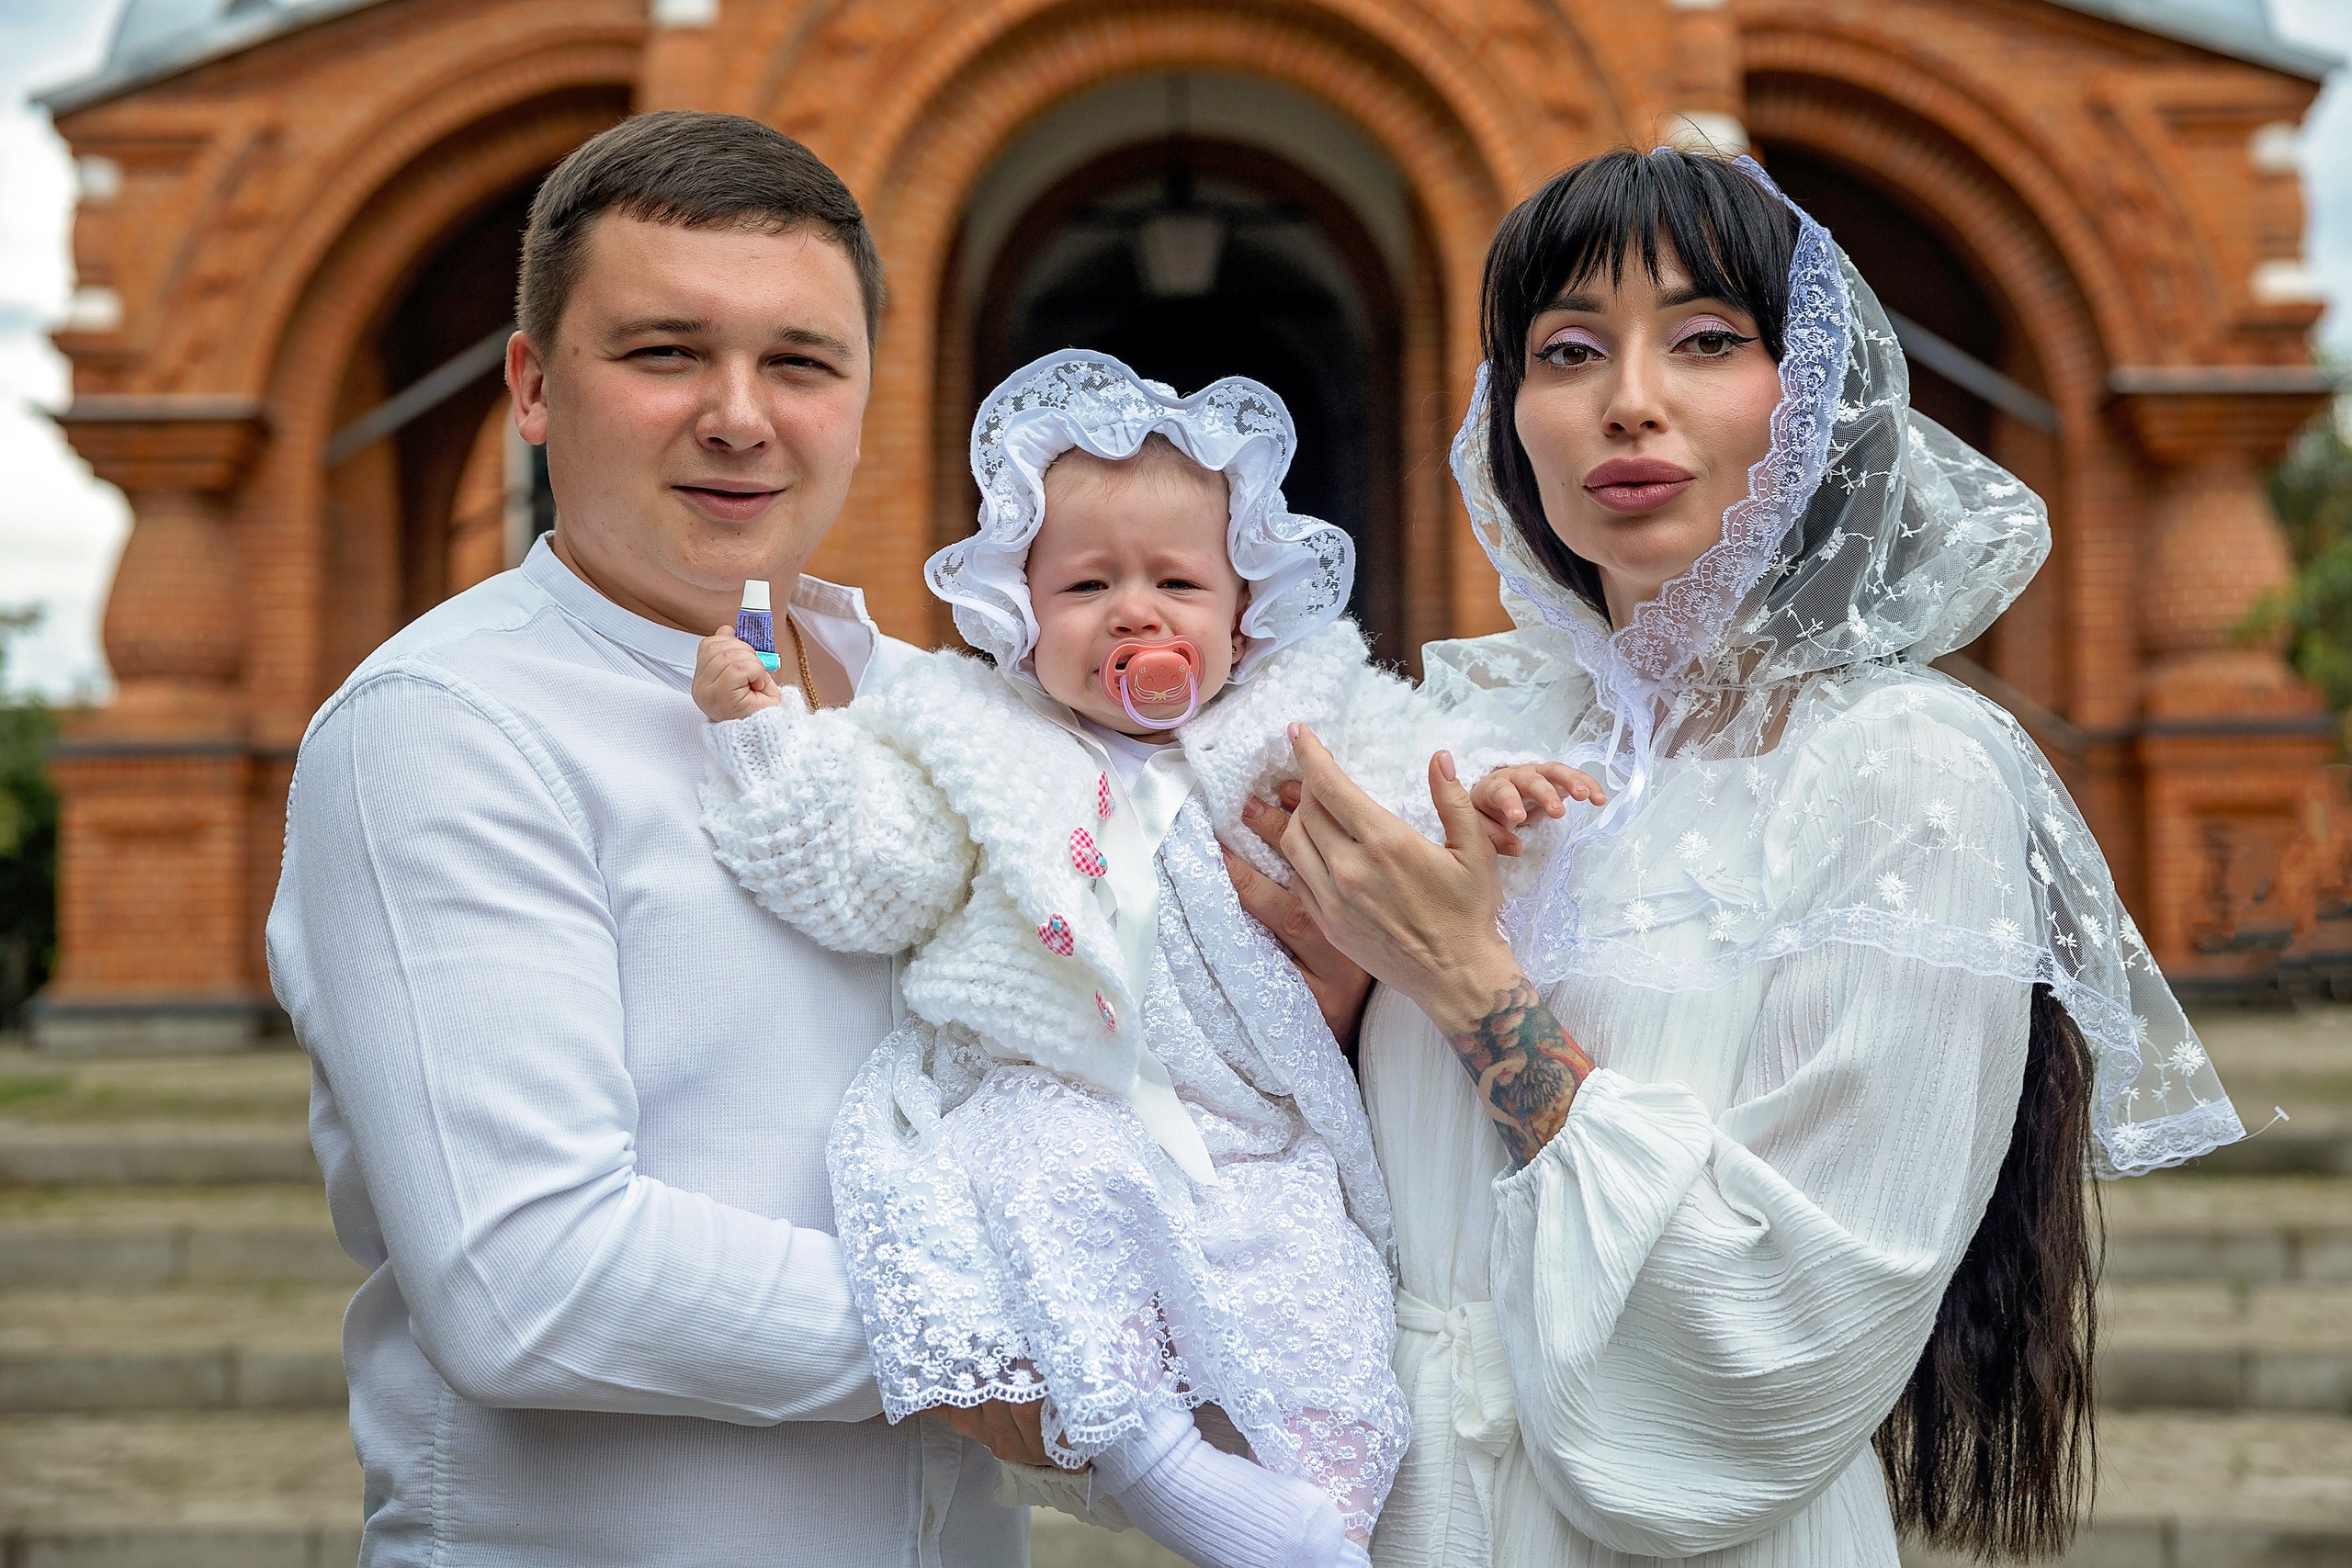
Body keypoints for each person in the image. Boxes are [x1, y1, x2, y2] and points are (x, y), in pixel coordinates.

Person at [1225, 148, 2246, 1567]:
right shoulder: (1463, 733)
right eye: (1566, 350)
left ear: (1814, 394)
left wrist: (1470, 988)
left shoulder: (1905, 771)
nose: (1627, 399)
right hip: (1395, 1516)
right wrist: (1330, 984)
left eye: (1707, 341)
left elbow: (1797, 1322)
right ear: (1509, 416)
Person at [266, 111, 1028, 1565]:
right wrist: (1022, 1335)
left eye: (800, 361)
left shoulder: (946, 716)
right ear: (535, 387)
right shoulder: (445, 725)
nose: (740, 414)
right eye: (666, 352)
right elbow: (529, 1276)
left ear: (869, 391)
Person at [691, 351, 1600, 1568]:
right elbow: (870, 875)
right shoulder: (974, 737)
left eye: (1177, 580)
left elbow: (1412, 766)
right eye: (1085, 584)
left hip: (1254, 1122)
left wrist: (1485, 788)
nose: (1136, 612)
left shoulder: (1299, 714)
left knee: (1317, 1292)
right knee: (1044, 1186)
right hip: (1061, 1087)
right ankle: (1153, 1460)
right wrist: (766, 745)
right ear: (1019, 612)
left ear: (1244, 613)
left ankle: (1327, 1519)